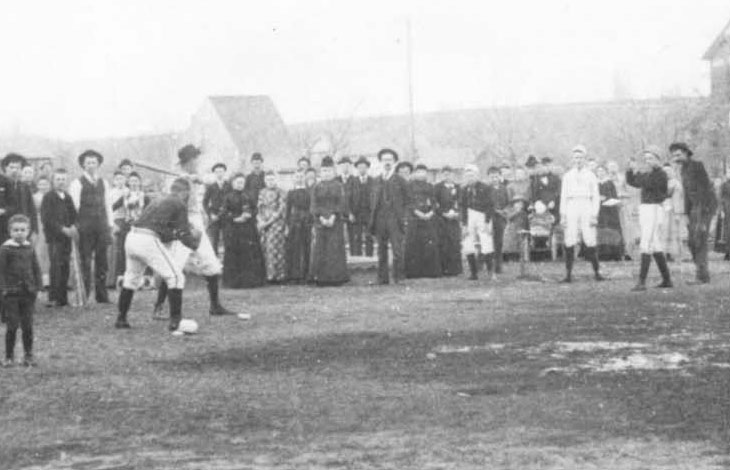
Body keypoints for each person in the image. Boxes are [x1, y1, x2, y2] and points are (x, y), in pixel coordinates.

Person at [152, 145, 239, 318]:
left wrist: (195, 179)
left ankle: (215, 306)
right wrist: (184, 183)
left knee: (212, 265)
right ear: (190, 160)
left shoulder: (192, 175)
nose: (198, 162)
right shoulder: (177, 180)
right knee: (174, 267)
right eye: (196, 159)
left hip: (196, 222)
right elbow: (174, 205)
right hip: (183, 224)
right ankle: (159, 307)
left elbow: (211, 180)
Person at [116, 178, 200, 332]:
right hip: (147, 239)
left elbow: (164, 230)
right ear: (185, 192)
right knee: (176, 277)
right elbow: (183, 233)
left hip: (132, 237)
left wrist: (176, 234)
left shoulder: (158, 199)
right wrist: (194, 244)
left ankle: (121, 318)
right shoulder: (179, 203)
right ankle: (175, 321)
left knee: (131, 278)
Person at [67, 150, 113, 303]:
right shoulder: (77, 183)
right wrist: (75, 225)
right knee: (85, 260)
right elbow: (74, 207)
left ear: (98, 164)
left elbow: (108, 205)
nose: (91, 165)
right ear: (83, 165)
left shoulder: (104, 183)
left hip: (101, 227)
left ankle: (102, 295)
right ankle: (84, 295)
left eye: (94, 162)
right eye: (88, 162)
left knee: (102, 262)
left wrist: (110, 225)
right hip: (85, 227)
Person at [670, 142, 717, 284]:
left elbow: (705, 190)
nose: (676, 158)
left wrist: (703, 216)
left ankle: (701, 276)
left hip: (703, 207)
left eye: (678, 154)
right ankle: (703, 273)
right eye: (674, 155)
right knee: (691, 242)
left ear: (686, 153)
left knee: (699, 241)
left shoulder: (697, 165)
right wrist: (686, 213)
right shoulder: (682, 169)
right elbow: (686, 193)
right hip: (692, 209)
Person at [626, 147, 672, 291]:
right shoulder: (649, 173)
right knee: (656, 245)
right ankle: (667, 279)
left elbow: (647, 183)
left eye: (651, 158)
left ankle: (641, 281)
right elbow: (633, 182)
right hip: (646, 209)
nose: (648, 161)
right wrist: (630, 170)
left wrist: (637, 171)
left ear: (658, 159)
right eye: (646, 159)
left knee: (646, 243)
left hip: (654, 208)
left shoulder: (661, 174)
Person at [0, 214, 42, 367]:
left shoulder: (29, 247)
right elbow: (1, 271)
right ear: (10, 231)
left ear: (28, 231)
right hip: (10, 294)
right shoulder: (5, 249)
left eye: (23, 230)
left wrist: (38, 285)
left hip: (28, 293)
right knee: (12, 326)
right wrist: (3, 289)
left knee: (28, 326)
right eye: (16, 230)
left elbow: (36, 267)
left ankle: (28, 355)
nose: (19, 233)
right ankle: (9, 356)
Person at [559, 145, 604, 283]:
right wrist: (563, 215)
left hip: (586, 205)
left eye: (580, 157)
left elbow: (595, 196)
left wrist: (594, 214)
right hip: (571, 205)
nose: (578, 160)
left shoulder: (590, 175)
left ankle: (597, 272)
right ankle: (568, 274)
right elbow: (563, 196)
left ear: (584, 159)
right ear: (572, 159)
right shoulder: (567, 176)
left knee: (590, 238)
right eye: (575, 157)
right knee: (570, 238)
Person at [370, 149, 409, 284]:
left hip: (395, 219)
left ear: (394, 162)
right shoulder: (376, 180)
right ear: (380, 162)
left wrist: (403, 217)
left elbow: (408, 201)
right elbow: (373, 200)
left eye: (390, 160)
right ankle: (382, 278)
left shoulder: (400, 180)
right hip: (380, 218)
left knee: (397, 249)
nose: (387, 162)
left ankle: (398, 277)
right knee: (381, 249)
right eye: (385, 160)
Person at [309, 156, 350, 285]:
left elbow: (341, 203)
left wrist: (333, 216)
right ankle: (320, 278)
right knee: (321, 249)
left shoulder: (338, 186)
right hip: (320, 222)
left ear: (334, 171)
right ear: (321, 172)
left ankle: (336, 278)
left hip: (335, 222)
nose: (326, 173)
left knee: (334, 249)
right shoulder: (317, 187)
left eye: (329, 171)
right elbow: (314, 205)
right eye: (324, 171)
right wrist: (321, 217)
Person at [222, 173, 266, 288]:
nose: (240, 185)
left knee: (249, 254)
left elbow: (255, 208)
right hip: (234, 229)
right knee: (235, 254)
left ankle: (249, 281)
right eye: (238, 182)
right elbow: (224, 212)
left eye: (242, 182)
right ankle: (234, 282)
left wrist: (249, 214)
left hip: (248, 229)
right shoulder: (228, 197)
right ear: (233, 184)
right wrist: (235, 218)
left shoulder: (248, 195)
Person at [41, 169, 77, 307]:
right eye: (58, 179)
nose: (61, 182)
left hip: (67, 237)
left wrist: (73, 226)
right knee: (56, 267)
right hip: (55, 238)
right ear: (53, 181)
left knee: (65, 266)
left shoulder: (67, 197)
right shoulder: (48, 197)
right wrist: (62, 229)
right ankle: (54, 297)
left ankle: (63, 297)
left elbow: (74, 214)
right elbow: (47, 219)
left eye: (63, 179)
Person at [111, 172, 149, 286]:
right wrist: (112, 222)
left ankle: (144, 279)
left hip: (141, 226)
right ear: (128, 183)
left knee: (142, 251)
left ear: (140, 182)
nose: (133, 183)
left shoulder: (144, 196)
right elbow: (111, 207)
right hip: (126, 226)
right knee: (124, 251)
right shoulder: (124, 196)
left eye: (136, 181)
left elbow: (151, 209)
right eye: (131, 181)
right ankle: (122, 278)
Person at [404, 164, 441, 279]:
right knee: (414, 244)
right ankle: (414, 272)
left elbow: (435, 202)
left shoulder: (430, 186)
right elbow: (408, 202)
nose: (421, 174)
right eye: (419, 172)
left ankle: (430, 272)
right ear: (414, 173)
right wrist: (417, 212)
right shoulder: (409, 186)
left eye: (424, 172)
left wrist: (431, 212)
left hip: (428, 218)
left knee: (429, 244)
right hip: (414, 218)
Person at [461, 164, 495, 280]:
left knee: (486, 242)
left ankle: (491, 272)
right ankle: (473, 273)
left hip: (483, 215)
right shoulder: (464, 189)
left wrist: (486, 222)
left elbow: (490, 205)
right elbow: (462, 207)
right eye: (467, 176)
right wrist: (464, 224)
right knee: (467, 242)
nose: (470, 178)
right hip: (470, 216)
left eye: (472, 175)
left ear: (477, 176)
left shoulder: (485, 188)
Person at [257, 170, 287, 283]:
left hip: (276, 223)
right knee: (265, 247)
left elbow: (281, 209)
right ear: (265, 181)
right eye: (268, 179)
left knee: (275, 248)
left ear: (276, 180)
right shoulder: (262, 192)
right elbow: (259, 207)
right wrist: (260, 220)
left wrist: (269, 221)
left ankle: (278, 275)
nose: (270, 182)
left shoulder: (281, 192)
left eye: (272, 179)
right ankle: (268, 274)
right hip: (264, 222)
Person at [285, 170, 314, 283]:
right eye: (297, 176)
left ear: (304, 178)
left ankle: (305, 275)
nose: (299, 178)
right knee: (294, 249)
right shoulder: (291, 193)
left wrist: (311, 222)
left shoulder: (308, 192)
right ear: (294, 178)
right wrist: (287, 225)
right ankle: (294, 275)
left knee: (306, 248)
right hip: (294, 222)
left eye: (301, 176)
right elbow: (287, 210)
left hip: (306, 221)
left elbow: (311, 208)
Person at [434, 166, 462, 276]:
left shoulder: (458, 187)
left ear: (453, 175)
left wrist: (456, 213)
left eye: (449, 174)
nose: (447, 176)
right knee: (443, 243)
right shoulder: (437, 187)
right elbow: (435, 203)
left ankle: (455, 269)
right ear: (442, 175)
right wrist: (443, 213)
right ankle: (444, 269)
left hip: (454, 219)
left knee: (454, 242)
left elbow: (461, 202)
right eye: (445, 174)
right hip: (442, 219)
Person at [3, 154, 38, 237]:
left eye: (17, 168)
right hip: (3, 230)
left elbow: (32, 210)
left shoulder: (24, 187)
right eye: (11, 167)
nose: (14, 170)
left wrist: (35, 231)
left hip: (23, 232)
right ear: (5, 168)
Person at [595, 165, 623, 261]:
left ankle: (614, 253)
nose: (600, 173)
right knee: (601, 230)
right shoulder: (595, 183)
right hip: (600, 211)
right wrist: (598, 198)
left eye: (602, 171)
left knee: (612, 230)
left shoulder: (610, 183)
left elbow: (614, 196)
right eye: (598, 171)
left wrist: (607, 199)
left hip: (610, 211)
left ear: (605, 172)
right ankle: (602, 254)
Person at [202, 163, 229, 256]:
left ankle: (227, 261)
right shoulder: (211, 187)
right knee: (214, 240)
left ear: (224, 172)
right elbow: (204, 202)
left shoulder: (229, 185)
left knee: (227, 238)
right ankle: (215, 261)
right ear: (214, 173)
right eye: (217, 172)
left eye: (221, 171)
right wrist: (210, 214)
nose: (219, 174)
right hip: (214, 216)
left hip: (226, 216)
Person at [662, 163, 687, 262]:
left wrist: (677, 213)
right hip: (662, 209)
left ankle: (674, 253)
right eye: (665, 172)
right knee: (663, 231)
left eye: (668, 171)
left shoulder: (676, 183)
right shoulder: (660, 182)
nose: (667, 173)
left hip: (672, 209)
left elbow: (678, 199)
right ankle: (664, 252)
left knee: (674, 231)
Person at [350, 156, 374, 257]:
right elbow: (348, 199)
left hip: (369, 213)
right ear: (357, 168)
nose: (362, 169)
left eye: (364, 167)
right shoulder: (353, 181)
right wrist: (350, 213)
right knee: (357, 237)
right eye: (360, 167)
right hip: (357, 213)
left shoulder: (373, 181)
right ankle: (358, 258)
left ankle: (369, 257)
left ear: (367, 168)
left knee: (369, 236)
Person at [489, 166, 510, 273]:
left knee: (499, 242)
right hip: (490, 218)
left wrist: (504, 211)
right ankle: (486, 264)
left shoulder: (503, 188)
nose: (494, 179)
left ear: (499, 177)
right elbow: (485, 204)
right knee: (488, 241)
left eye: (496, 177)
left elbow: (507, 203)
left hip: (501, 219)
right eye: (492, 177)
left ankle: (498, 266)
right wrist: (496, 210)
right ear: (489, 177)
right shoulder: (487, 189)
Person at [336, 156, 357, 256]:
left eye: (347, 166)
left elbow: (357, 198)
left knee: (353, 238)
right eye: (343, 166)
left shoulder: (354, 180)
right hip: (339, 214)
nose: (345, 168)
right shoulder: (336, 180)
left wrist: (352, 213)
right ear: (340, 167)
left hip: (352, 214)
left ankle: (354, 259)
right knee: (339, 239)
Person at [720, 170, 730, 261]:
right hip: (727, 210)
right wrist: (722, 210)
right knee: (727, 231)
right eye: (728, 173)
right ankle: (728, 253)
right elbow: (721, 198)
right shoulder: (724, 185)